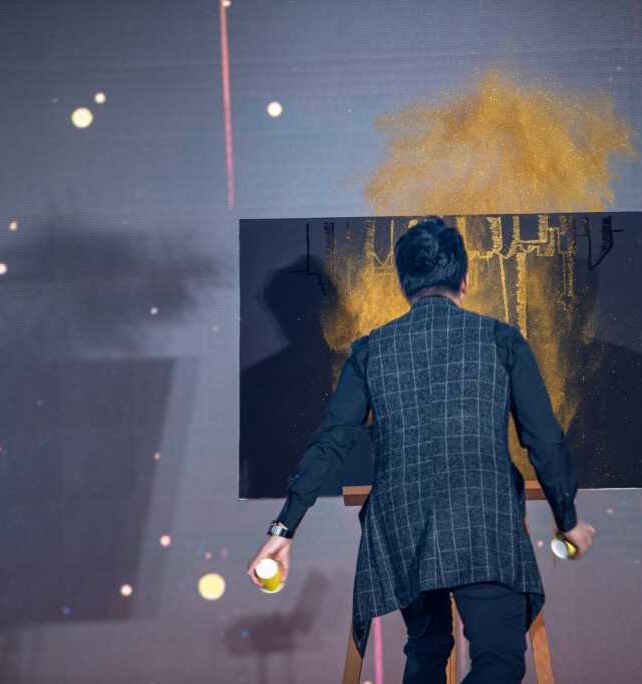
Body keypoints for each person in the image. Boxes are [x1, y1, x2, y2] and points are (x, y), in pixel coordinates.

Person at [247, 216, 595, 683]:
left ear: (402, 285)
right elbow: (544, 440)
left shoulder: (369, 351)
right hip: (482, 520)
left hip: (402, 522)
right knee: (498, 658)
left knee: (427, 648)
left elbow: (331, 442)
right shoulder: (501, 340)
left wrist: (284, 529)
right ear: (466, 279)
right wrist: (567, 519)